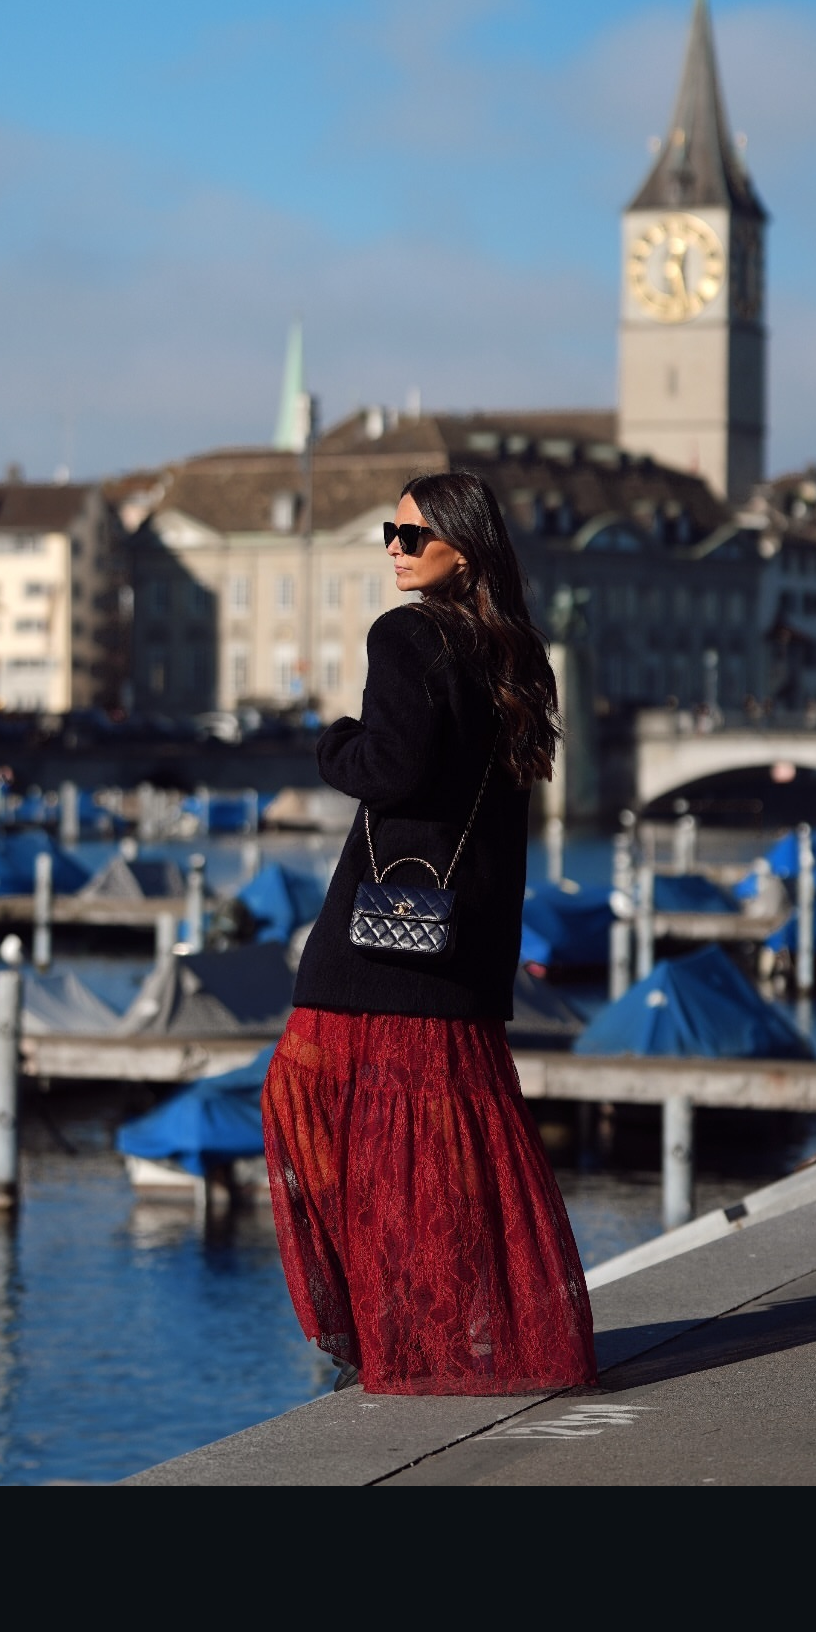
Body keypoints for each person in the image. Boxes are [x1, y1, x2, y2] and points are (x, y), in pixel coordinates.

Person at [262, 471, 597, 1398]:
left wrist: (332, 744)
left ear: (464, 547)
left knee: (312, 1109)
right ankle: (442, 1331)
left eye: (414, 537)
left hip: (379, 942)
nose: (396, 551)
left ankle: (388, 1331)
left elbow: (393, 767)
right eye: (390, 534)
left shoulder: (404, 634)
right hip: (466, 939)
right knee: (445, 1146)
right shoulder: (517, 652)